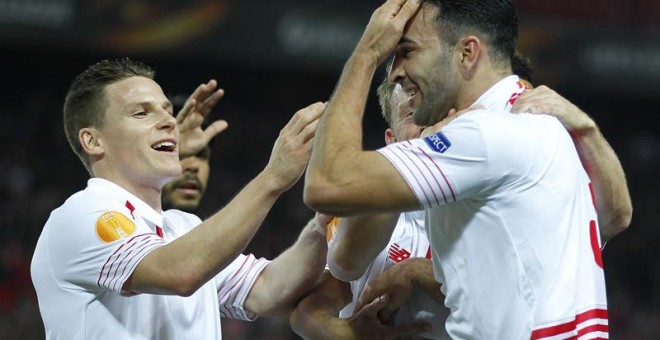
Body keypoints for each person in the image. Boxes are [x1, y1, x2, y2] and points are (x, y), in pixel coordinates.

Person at [304, 0, 632, 338]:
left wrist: (366, 53)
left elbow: (327, 183)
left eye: (408, 50)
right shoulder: (536, 122)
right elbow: (345, 263)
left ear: (466, 53)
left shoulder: (491, 133)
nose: (395, 72)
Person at [30, 58, 329, 340]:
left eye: (166, 110)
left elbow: (269, 289)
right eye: (141, 112)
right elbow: (180, 273)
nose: (169, 121)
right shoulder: (81, 216)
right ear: (93, 141)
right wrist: (272, 178)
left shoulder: (184, 227)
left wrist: (326, 220)